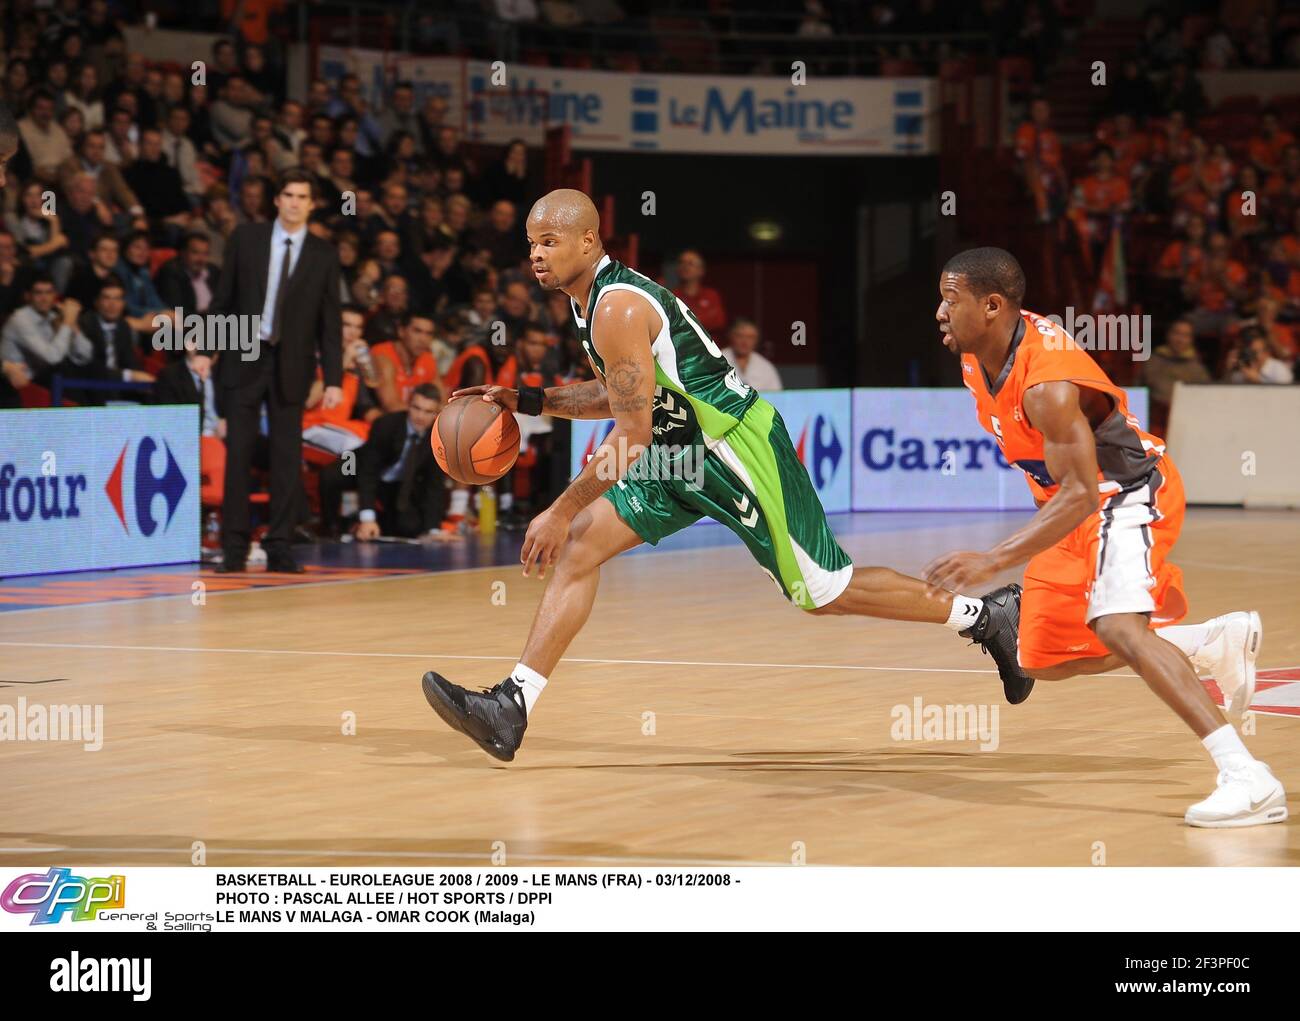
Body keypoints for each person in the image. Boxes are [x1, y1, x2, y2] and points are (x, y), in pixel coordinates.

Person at [420, 189, 1031, 762]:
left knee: (822, 593)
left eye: (549, 241)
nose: (535, 255)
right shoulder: (590, 305)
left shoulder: (617, 308)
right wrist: (529, 400)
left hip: (735, 450)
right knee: (583, 547)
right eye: (530, 244)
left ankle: (987, 617)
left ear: (588, 242)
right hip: (680, 454)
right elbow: (626, 398)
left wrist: (558, 508)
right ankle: (511, 707)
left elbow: (631, 434)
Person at [929, 246, 1283, 828]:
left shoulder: (1047, 383)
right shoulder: (977, 357)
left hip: (1127, 493)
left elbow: (1083, 493)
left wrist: (993, 558)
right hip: (1068, 508)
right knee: (1037, 658)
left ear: (991, 306)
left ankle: (1248, 777)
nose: (940, 313)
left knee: (1118, 627)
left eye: (950, 300)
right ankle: (1209, 642)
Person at [210, 169, 343, 574]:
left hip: (293, 364)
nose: (294, 202)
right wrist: (208, 347)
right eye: (288, 194)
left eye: (302, 196)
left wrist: (333, 378)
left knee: (287, 458)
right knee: (239, 453)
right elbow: (224, 298)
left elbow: (330, 321)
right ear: (276, 199)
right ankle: (233, 547)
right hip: (245, 355)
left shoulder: (324, 252)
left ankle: (279, 545)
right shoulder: (246, 239)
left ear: (312, 203)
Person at [320, 383, 451, 541]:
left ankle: (354, 524)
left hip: (396, 484)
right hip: (358, 466)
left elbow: (434, 486)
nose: (420, 416)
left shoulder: (438, 439)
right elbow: (368, 471)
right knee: (332, 475)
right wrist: (367, 518)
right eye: (416, 408)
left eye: (428, 411)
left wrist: (434, 530)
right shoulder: (386, 425)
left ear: (436, 413)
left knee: (409, 527)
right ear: (408, 406)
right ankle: (331, 528)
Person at [721, 318, 782, 392]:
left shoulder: (765, 366)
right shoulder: (716, 360)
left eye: (750, 337)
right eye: (740, 336)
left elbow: (776, 395)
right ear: (731, 336)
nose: (745, 342)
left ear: (757, 340)